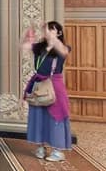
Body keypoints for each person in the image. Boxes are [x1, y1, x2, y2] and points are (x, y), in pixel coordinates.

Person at [21, 20, 72, 162]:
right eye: (46, 29)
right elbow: (24, 47)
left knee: (56, 116)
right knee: (39, 115)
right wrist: (28, 34)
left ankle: (57, 151)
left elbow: (63, 51)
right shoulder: (39, 47)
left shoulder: (63, 47)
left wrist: (53, 38)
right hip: (38, 83)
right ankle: (40, 147)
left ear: (59, 32)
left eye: (52, 29)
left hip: (54, 84)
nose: (48, 32)